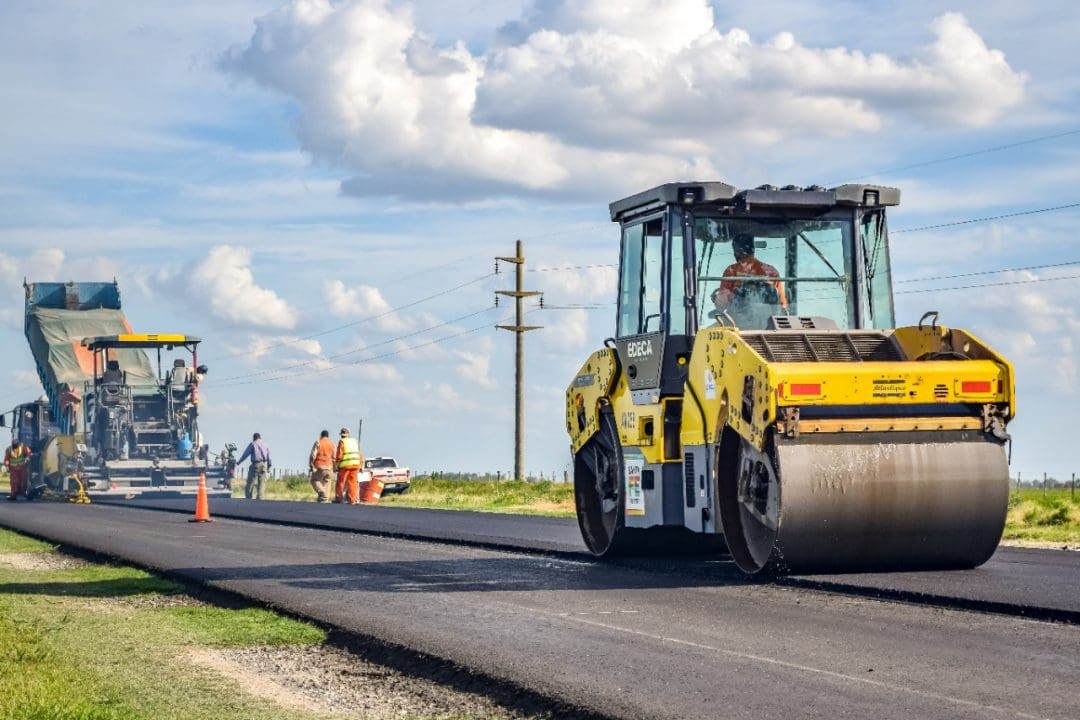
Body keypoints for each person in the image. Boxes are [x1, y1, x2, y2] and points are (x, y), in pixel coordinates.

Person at [710, 233, 788, 325]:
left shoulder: (732, 271)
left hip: (737, 324)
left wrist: (716, 299)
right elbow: (783, 305)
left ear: (739, 251)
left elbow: (721, 305)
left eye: (734, 250)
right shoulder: (771, 271)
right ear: (753, 249)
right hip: (769, 325)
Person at [238, 432, 272, 500]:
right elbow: (269, 458)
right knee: (262, 484)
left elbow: (246, 454)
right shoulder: (266, 445)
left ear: (254, 438)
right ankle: (260, 499)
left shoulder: (253, 444)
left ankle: (248, 499)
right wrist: (268, 467)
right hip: (263, 465)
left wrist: (239, 462)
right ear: (260, 437)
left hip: (255, 465)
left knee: (250, 483)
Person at [334, 427, 363, 505]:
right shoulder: (354, 441)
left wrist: (336, 465)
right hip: (355, 465)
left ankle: (339, 499)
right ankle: (352, 500)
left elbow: (339, 455)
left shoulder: (342, 441)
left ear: (341, 435)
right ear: (348, 434)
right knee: (352, 483)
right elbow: (359, 454)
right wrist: (361, 464)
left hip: (345, 466)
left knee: (341, 482)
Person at [309, 430, 335, 503]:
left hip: (320, 466)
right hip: (329, 466)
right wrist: (335, 467)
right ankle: (324, 500)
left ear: (321, 435)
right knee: (327, 482)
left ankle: (322, 493)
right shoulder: (332, 444)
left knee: (314, 480)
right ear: (328, 436)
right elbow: (334, 457)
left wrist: (311, 464)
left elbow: (313, 454)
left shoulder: (318, 442)